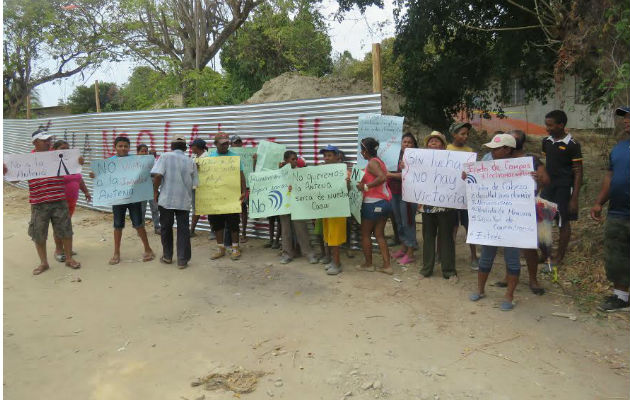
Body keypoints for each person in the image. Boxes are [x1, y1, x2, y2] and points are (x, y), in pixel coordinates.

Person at [3, 128, 82, 274]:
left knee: (65, 231)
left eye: (49, 139)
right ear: (35, 142)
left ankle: (69, 259)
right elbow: (15, 179)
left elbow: (74, 170)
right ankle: (44, 263)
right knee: (38, 233)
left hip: (59, 199)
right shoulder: (27, 160)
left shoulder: (57, 156)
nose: (48, 142)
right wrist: (6, 172)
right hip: (39, 202)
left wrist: (78, 162)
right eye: (44, 140)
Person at [468, 133, 523, 311]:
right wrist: (468, 176)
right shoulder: (487, 163)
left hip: (512, 219)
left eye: (496, 149)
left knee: (512, 259)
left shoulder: (523, 166)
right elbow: (474, 181)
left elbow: (541, 183)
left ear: (508, 150)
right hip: (490, 218)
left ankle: (509, 295)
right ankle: (480, 289)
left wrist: (534, 179)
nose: (492, 152)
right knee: (486, 255)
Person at [492, 130, 550, 295]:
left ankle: (533, 279)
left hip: (526, 208)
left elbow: (545, 180)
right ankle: (508, 275)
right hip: (505, 208)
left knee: (528, 245)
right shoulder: (498, 161)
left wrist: (538, 180)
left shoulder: (530, 160)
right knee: (509, 244)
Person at [590, 106, 630, 312]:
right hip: (618, 212)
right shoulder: (619, 149)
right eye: (625, 117)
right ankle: (621, 297)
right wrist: (599, 202)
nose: (626, 121)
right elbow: (610, 177)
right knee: (617, 255)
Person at [95, 136, 154, 265]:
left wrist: (150, 159)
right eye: (120, 146)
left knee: (139, 224)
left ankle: (148, 249)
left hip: (134, 198)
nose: (123, 148)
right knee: (117, 225)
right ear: (115, 147)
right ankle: (116, 253)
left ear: (129, 148)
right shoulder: (109, 162)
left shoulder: (135, 160)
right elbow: (100, 176)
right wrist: (94, 174)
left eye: (125, 146)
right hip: (118, 198)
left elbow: (145, 173)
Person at [540, 110, 583, 266]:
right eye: (546, 124)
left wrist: (574, 198)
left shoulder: (573, 145)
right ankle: (546, 253)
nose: (547, 128)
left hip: (564, 188)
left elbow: (578, 171)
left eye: (550, 125)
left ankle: (559, 256)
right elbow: (547, 165)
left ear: (561, 125)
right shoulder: (546, 141)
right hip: (548, 187)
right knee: (541, 219)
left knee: (563, 222)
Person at [151, 135, 198, 269]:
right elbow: (195, 184)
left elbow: (158, 175)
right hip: (184, 201)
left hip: (166, 200)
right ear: (185, 148)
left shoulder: (165, 157)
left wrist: (155, 191)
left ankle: (167, 256)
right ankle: (182, 260)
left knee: (166, 228)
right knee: (183, 230)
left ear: (171, 147)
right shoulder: (191, 161)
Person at [418, 131, 458, 281]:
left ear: (443, 145)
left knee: (446, 237)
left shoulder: (452, 160)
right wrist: (407, 166)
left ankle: (448, 270)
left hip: (446, 205)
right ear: (427, 145)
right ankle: (426, 269)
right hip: (427, 205)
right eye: (431, 141)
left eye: (437, 140)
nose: (433, 142)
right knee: (428, 236)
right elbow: (414, 178)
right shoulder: (420, 160)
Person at [355, 138, 394, 275]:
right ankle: (387, 265)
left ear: (365, 151)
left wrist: (365, 186)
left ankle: (368, 264)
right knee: (379, 234)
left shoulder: (372, 163)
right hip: (385, 203)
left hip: (372, 203)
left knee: (365, 234)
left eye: (362, 150)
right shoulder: (379, 162)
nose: (361, 153)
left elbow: (382, 177)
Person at [207, 133, 246, 261]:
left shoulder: (234, 157)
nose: (225, 145)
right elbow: (204, 175)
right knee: (217, 223)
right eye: (222, 143)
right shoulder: (209, 157)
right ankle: (221, 248)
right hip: (215, 196)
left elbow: (241, 175)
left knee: (233, 223)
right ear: (215, 144)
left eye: (226, 143)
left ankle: (235, 248)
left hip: (232, 196)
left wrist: (244, 191)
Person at [51, 140, 91, 262]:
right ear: (55, 150)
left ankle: (67, 249)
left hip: (72, 202)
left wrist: (86, 191)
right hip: (59, 201)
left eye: (68, 148)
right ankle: (59, 250)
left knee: (66, 225)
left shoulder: (73, 163)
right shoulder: (52, 164)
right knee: (59, 227)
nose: (66, 150)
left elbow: (79, 179)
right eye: (63, 148)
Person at [447, 122, 479, 270]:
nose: (465, 136)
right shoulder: (446, 150)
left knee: (469, 227)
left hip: (466, 197)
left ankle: (474, 256)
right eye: (462, 133)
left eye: (467, 134)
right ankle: (449, 255)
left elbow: (474, 174)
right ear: (454, 134)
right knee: (451, 227)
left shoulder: (470, 151)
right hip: (451, 197)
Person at [279, 150, 318, 265]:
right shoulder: (280, 173)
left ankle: (309, 253)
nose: (295, 161)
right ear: (286, 161)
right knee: (285, 231)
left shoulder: (300, 172)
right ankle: (287, 254)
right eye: (292, 159)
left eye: (296, 159)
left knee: (301, 230)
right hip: (284, 205)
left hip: (297, 205)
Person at [387, 133, 419, 265]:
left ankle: (410, 253)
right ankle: (404, 247)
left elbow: (410, 175)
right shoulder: (394, 156)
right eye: (404, 142)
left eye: (409, 142)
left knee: (408, 223)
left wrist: (390, 174)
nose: (406, 144)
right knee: (399, 222)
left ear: (414, 145)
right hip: (395, 192)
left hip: (408, 195)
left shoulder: (417, 157)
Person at [317, 145, 348, 275]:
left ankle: (337, 264)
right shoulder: (321, 170)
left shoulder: (342, 171)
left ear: (337, 156)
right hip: (326, 208)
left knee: (335, 237)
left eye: (329, 155)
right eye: (325, 156)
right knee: (329, 235)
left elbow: (349, 189)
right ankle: (333, 261)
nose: (326, 158)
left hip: (337, 209)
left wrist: (347, 182)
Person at [137, 144, 161, 234]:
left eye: (145, 151)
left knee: (155, 208)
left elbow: (157, 173)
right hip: (141, 190)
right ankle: (141, 228)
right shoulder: (134, 163)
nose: (144, 153)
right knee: (142, 210)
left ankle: (157, 227)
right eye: (142, 151)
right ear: (138, 152)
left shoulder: (153, 161)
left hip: (151, 188)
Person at [230, 135, 250, 243]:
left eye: (239, 142)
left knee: (243, 209)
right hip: (232, 186)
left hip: (244, 185)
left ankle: (244, 233)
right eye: (235, 143)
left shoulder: (247, 154)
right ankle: (234, 232)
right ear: (231, 144)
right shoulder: (228, 155)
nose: (238, 145)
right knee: (232, 210)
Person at [189, 139, 208, 237]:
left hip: (205, 187)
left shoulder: (207, 156)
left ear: (197, 147)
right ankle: (191, 230)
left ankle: (213, 231)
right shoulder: (193, 156)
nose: (191, 148)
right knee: (196, 208)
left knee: (211, 207)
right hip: (195, 186)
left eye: (192, 146)